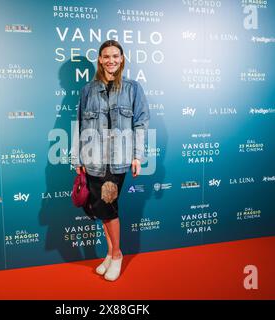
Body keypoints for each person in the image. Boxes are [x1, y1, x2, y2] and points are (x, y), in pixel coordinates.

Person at [73, 39, 150, 281]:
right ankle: (110, 253)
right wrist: (78, 157)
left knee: (109, 208)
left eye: (115, 56)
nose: (111, 60)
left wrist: (138, 155)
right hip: (93, 159)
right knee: (102, 211)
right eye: (106, 56)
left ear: (122, 59)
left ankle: (116, 255)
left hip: (118, 160)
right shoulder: (87, 90)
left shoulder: (132, 88)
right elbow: (79, 125)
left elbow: (140, 122)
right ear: (99, 59)